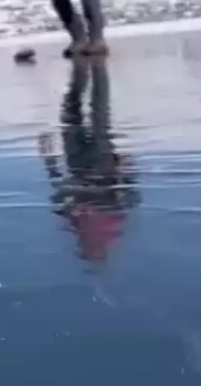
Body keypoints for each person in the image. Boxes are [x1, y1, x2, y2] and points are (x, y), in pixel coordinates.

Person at [38, 58, 140, 264]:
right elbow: (130, 197)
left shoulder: (75, 224)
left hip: (78, 165)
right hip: (102, 166)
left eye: (85, 248)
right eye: (90, 249)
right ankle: (95, 67)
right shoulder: (112, 223)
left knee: (73, 113)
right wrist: (126, 171)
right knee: (97, 113)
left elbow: (59, 192)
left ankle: (82, 69)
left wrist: (49, 158)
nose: (85, 245)